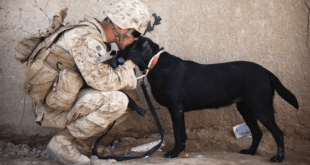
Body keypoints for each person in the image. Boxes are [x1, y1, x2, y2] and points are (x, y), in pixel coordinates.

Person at [40, 0, 153, 164]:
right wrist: (131, 63)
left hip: (65, 93)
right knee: (119, 101)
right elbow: (104, 82)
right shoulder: (87, 39)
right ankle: (63, 142)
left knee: (131, 100)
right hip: (53, 104)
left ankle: (76, 143)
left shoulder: (95, 33)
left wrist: (125, 61)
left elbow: (99, 72)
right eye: (135, 35)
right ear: (121, 28)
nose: (135, 40)